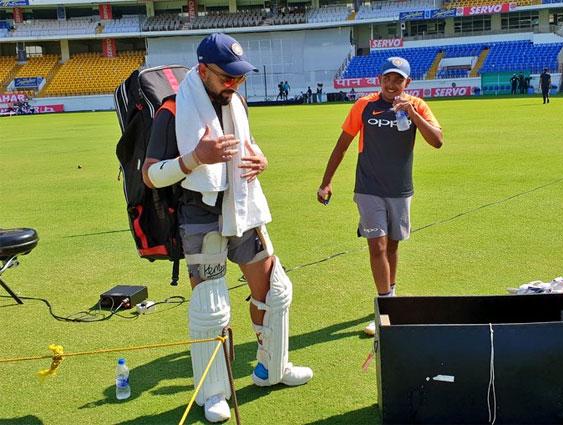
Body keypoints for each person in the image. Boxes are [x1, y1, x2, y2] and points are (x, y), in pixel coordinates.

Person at [141, 33, 312, 423]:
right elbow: (150, 176)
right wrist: (194, 159)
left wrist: (261, 160)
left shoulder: (235, 101)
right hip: (199, 215)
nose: (234, 84)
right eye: (226, 77)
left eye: (239, 77)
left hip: (243, 206)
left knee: (275, 290)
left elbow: (247, 149)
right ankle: (214, 391)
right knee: (210, 308)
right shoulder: (170, 111)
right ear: (202, 70)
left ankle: (273, 368)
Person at [316, 57, 443, 336]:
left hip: (400, 190)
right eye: (387, 78)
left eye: (398, 79)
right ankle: (385, 308)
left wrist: (413, 114)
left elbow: (437, 141)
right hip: (368, 188)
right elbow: (342, 145)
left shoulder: (417, 106)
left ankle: (390, 296)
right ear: (379, 79)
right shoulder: (364, 106)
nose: (391, 84)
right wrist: (326, 182)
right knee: (377, 246)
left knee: (393, 247)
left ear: (407, 83)